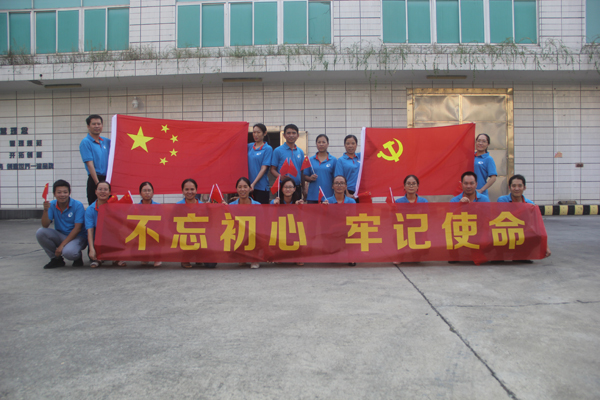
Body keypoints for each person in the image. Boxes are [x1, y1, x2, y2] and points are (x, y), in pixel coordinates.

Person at [36, 179, 87, 269]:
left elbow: (77, 228)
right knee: (41, 232)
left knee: (70, 253)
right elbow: (45, 225)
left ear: (69, 193)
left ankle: (77, 256)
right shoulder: (51, 204)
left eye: (65, 192)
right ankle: (56, 259)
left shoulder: (77, 205)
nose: (62, 195)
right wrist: (45, 210)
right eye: (59, 192)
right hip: (61, 235)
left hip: (77, 237)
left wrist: (61, 246)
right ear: (54, 194)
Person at [498, 174, 551, 259]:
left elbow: (538, 226)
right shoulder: (502, 200)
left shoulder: (530, 204)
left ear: (524, 187)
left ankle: (522, 254)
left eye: (520, 186)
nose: (516, 188)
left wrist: (546, 246)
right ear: (509, 187)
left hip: (522, 233)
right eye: (514, 186)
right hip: (506, 231)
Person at [175, 179, 217, 269]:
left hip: (200, 239)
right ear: (182, 191)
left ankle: (198, 255)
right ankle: (185, 256)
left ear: (196, 191)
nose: (189, 192)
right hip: (184, 239)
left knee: (212, 264)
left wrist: (211, 210)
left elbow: (210, 224)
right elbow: (171, 225)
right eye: (186, 189)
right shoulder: (177, 206)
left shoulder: (203, 205)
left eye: (192, 189)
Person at [85, 181, 126, 268]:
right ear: (95, 192)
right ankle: (97, 258)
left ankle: (116, 257)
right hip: (97, 238)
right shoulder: (90, 209)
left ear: (110, 192)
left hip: (111, 236)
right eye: (100, 189)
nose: (102, 192)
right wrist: (91, 248)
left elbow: (120, 226)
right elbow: (90, 230)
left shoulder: (115, 207)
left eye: (105, 189)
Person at [228, 177, 261, 269]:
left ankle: (255, 258)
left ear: (250, 188)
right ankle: (241, 256)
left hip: (253, 235)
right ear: (236, 189)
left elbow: (262, 224)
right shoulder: (230, 206)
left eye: (245, 187)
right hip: (238, 234)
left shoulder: (258, 205)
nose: (242, 189)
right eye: (240, 187)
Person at [80, 114, 110, 205]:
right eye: (94, 124)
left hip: (107, 179)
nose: (97, 126)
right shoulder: (86, 142)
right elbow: (90, 164)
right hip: (95, 179)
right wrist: (98, 184)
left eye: (99, 124)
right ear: (88, 126)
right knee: (95, 207)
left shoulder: (106, 141)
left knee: (109, 207)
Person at [270, 124, 305, 200]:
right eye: (288, 133)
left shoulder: (300, 152)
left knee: (297, 207)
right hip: (283, 187)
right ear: (284, 135)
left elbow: (302, 171)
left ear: (298, 135)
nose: (291, 135)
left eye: (293, 133)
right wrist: (280, 177)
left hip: (297, 187)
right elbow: (272, 169)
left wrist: (304, 188)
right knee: (282, 207)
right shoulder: (278, 150)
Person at [303, 134, 337, 204]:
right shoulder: (310, 160)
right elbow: (304, 176)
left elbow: (336, 178)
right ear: (316, 144)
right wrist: (310, 178)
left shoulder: (333, 160)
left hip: (328, 196)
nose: (321, 144)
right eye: (319, 142)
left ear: (328, 144)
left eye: (323, 142)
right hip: (313, 196)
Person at [248, 123, 273, 204]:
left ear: (264, 133)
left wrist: (253, 184)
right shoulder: (249, 146)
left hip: (261, 187)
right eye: (254, 132)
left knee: (261, 210)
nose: (256, 135)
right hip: (247, 187)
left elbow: (264, 168)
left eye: (258, 132)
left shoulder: (268, 149)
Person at [138, 181, 162, 267]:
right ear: (140, 193)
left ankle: (157, 257)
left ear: (153, 193)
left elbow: (162, 222)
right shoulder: (136, 207)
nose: (147, 193)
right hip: (141, 232)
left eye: (149, 190)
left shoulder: (159, 206)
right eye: (144, 190)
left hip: (155, 232)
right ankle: (145, 256)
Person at [334, 134, 361, 199]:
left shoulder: (361, 156)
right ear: (344, 145)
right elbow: (339, 178)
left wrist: (365, 132)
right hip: (349, 191)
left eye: (353, 143)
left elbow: (373, 149)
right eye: (348, 143)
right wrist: (347, 193)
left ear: (356, 145)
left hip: (361, 191)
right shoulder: (341, 160)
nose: (350, 146)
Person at [474, 133, 497, 198]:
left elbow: (493, 178)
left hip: (480, 194)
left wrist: (481, 190)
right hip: (467, 193)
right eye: (478, 141)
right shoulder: (470, 156)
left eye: (484, 141)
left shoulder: (488, 159)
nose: (480, 143)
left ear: (488, 144)